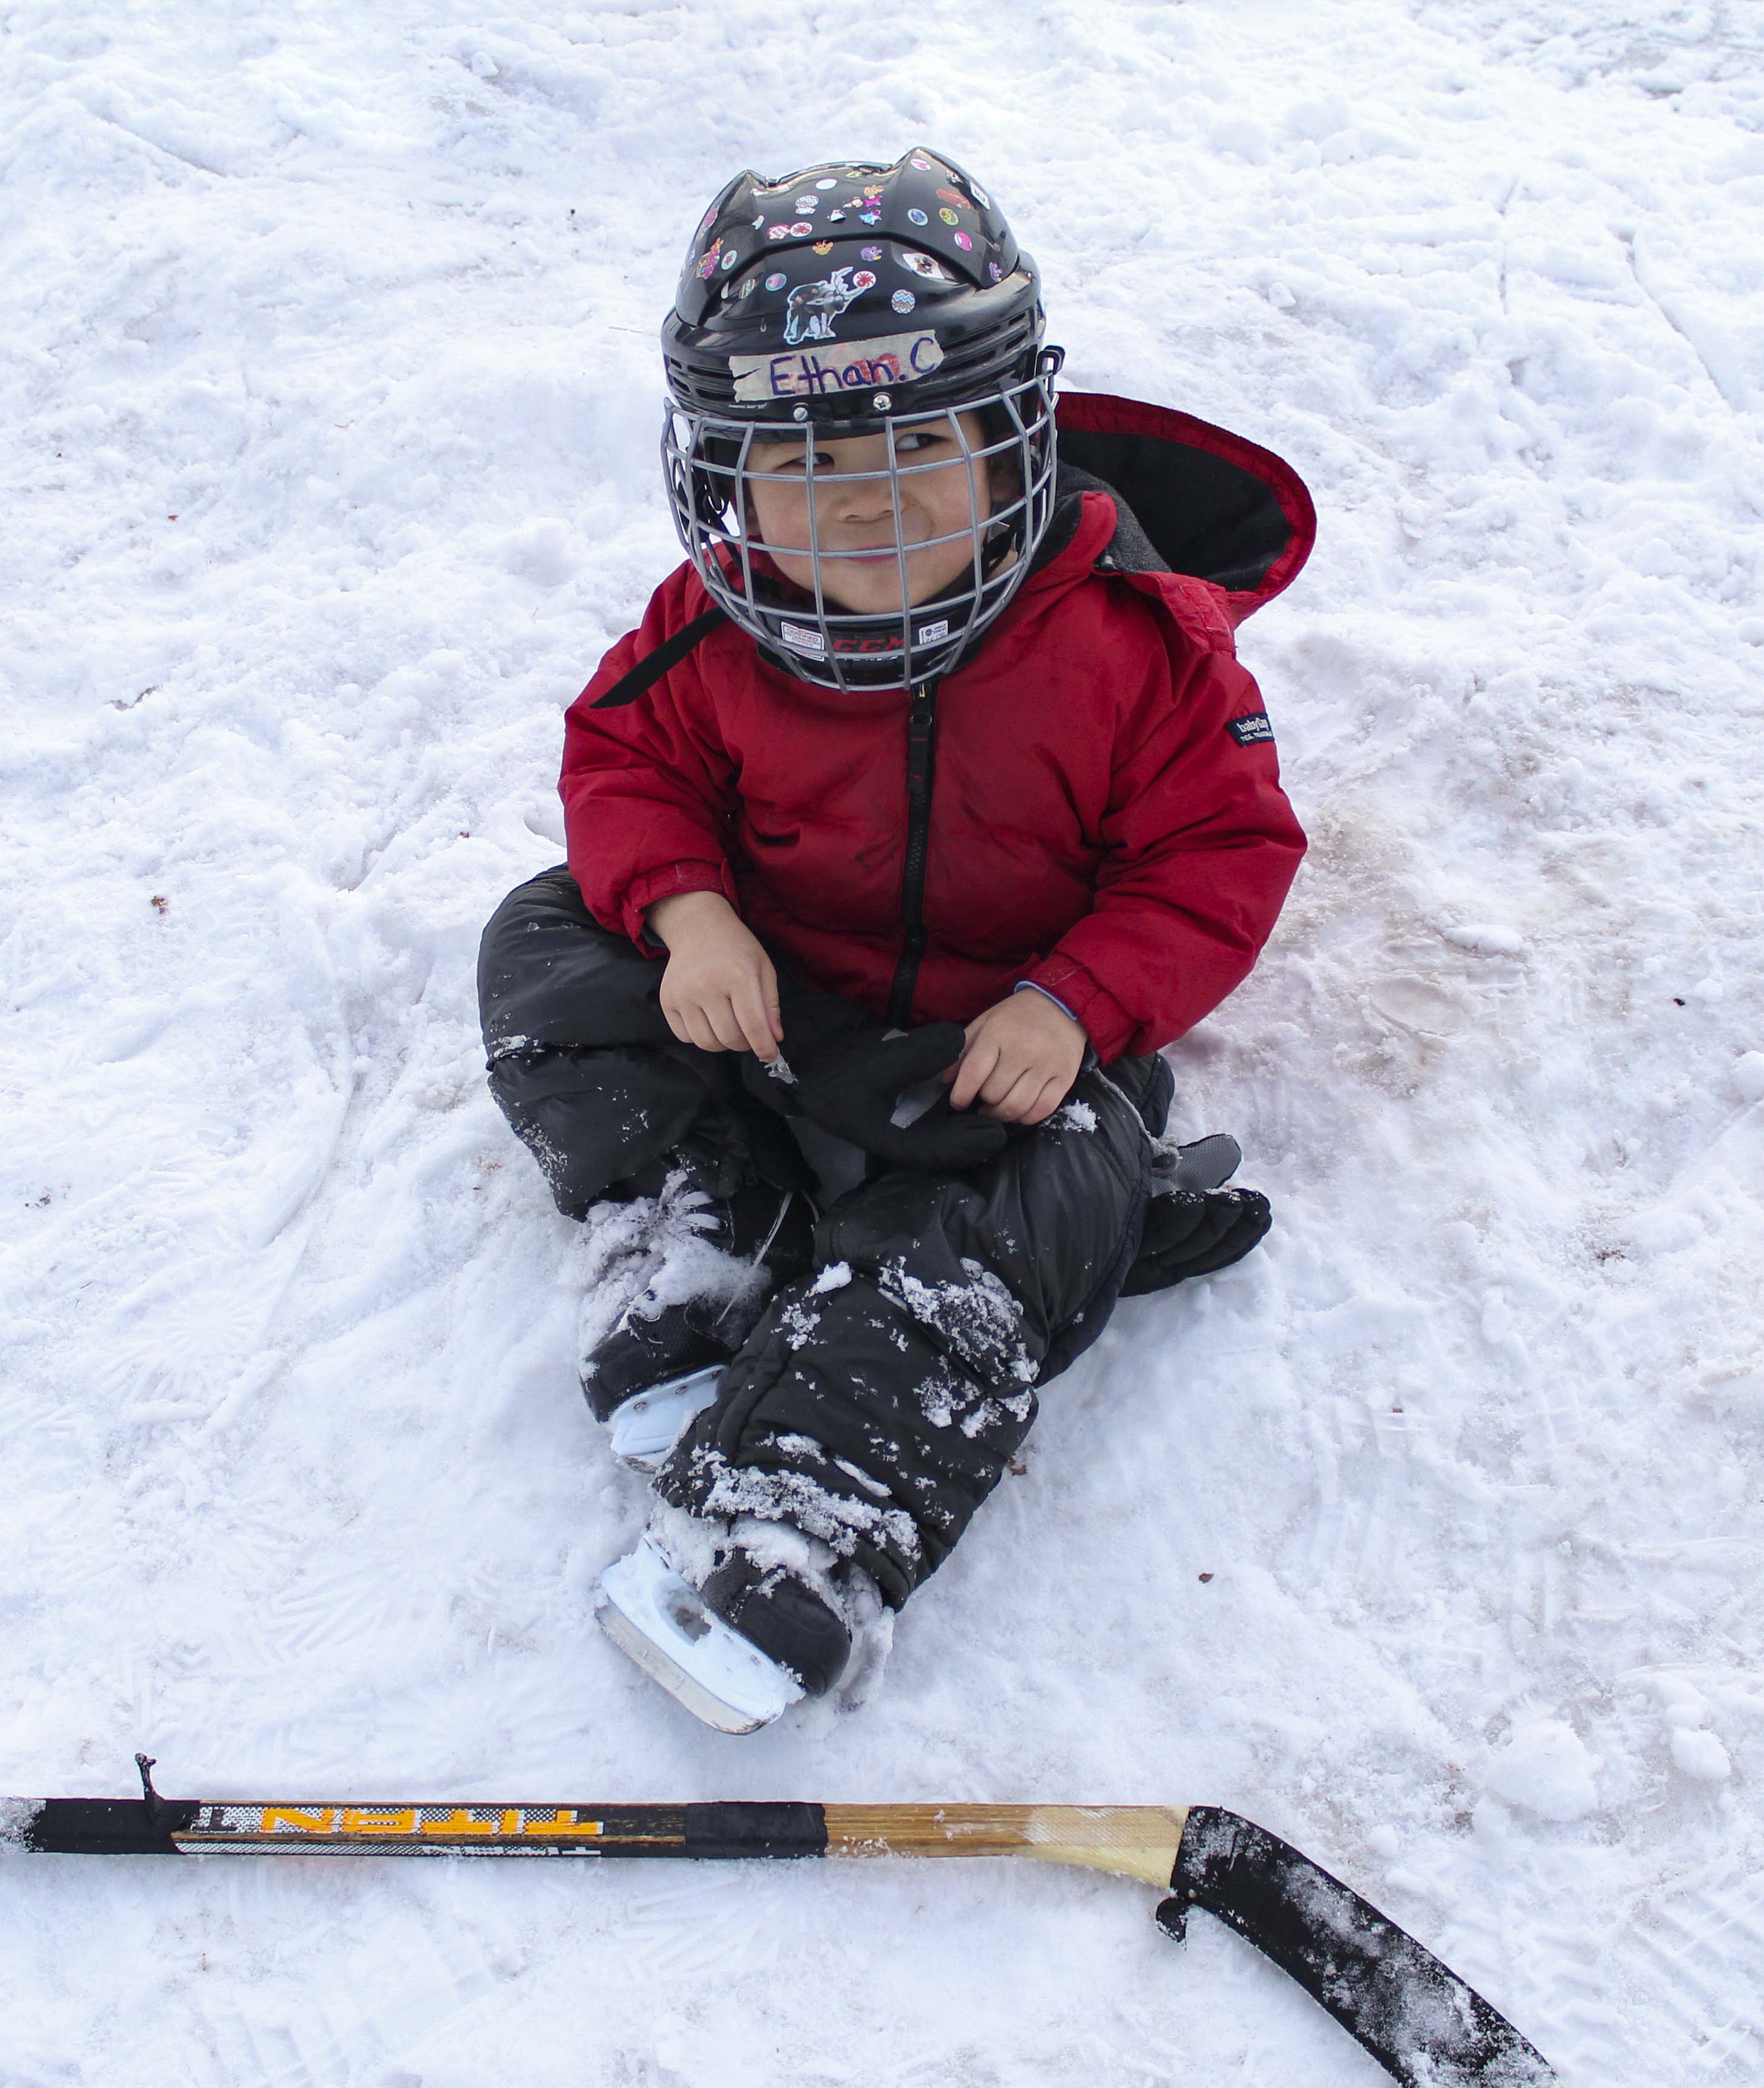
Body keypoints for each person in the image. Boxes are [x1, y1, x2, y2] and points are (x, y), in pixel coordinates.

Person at [478, 147, 1313, 1732]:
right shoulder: (712, 623)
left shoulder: (1138, 638)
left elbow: (1221, 849)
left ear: (1013, 442)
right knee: (540, 936)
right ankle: (705, 1244)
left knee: (1072, 1174)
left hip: (992, 1058)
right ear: (723, 473)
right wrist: (690, 911)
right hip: (772, 1002)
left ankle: (808, 1509)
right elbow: (621, 760)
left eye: (920, 439)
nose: (865, 500)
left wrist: (1079, 1003)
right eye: (805, 462)